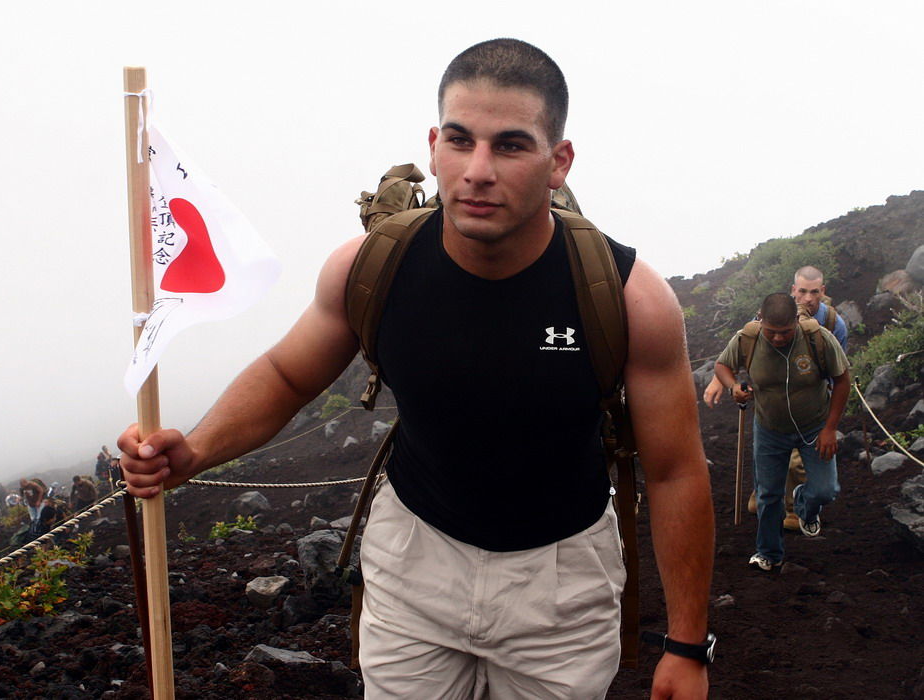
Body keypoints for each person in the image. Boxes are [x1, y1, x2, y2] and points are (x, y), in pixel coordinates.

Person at [119, 39, 714, 698]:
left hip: (562, 582)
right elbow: (288, 376)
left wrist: (687, 646)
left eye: (510, 146)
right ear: (433, 147)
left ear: (559, 162)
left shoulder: (627, 297)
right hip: (413, 564)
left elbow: (674, 469)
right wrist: (195, 450)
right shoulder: (372, 268)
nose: (478, 170)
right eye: (460, 141)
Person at [704, 266, 849, 530]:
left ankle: (794, 510)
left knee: (798, 459)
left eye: (814, 292)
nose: (808, 298)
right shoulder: (772, 315)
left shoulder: (832, 324)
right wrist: (724, 382)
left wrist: (828, 420)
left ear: (822, 291)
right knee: (771, 453)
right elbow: (741, 348)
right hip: (771, 400)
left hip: (810, 401)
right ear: (793, 290)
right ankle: (766, 496)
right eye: (802, 291)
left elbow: (838, 371)